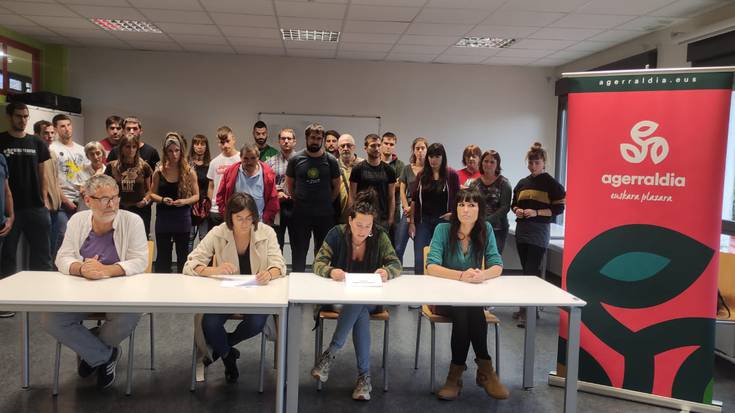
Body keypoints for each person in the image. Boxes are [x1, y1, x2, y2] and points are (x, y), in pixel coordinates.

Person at [40, 174, 148, 389]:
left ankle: (91, 352)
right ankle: (105, 355)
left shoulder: (132, 221)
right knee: (51, 319)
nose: (111, 204)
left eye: (115, 198)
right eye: (104, 199)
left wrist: (105, 270)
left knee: (129, 315)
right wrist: (82, 268)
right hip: (80, 292)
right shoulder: (77, 221)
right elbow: (62, 257)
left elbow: (140, 261)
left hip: (121, 294)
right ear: (88, 200)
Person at [183, 193, 286, 383]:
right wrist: (214, 270)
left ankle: (223, 349)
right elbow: (190, 264)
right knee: (210, 323)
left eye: (249, 218)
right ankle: (228, 356)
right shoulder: (218, 232)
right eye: (239, 218)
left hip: (257, 295)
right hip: (226, 295)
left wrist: (269, 274)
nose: (245, 223)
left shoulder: (267, 232)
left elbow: (279, 264)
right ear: (230, 217)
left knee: (256, 323)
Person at [311, 189, 402, 401]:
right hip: (339, 299)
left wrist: (386, 272)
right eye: (359, 225)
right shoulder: (336, 233)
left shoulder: (379, 236)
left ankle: (330, 354)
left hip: (370, 299)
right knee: (359, 309)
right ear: (350, 220)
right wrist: (330, 271)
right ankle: (364, 378)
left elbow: (395, 263)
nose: (363, 231)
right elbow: (318, 263)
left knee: (359, 303)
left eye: (368, 226)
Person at [425, 188, 509, 401]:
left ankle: (456, 375)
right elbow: (431, 266)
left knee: (468, 309)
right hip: (442, 298)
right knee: (467, 310)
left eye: (471, 205)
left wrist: (482, 275)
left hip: (472, 298)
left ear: (480, 209)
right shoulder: (443, 229)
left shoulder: (485, 229)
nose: (465, 209)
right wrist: (461, 275)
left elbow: (497, 265)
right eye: (461, 204)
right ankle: (485, 370)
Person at [511, 142, 566, 325]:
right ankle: (527, 308)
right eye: (531, 162)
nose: (533, 166)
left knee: (531, 271)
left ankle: (528, 312)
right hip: (522, 230)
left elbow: (559, 208)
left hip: (539, 231)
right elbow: (513, 204)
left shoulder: (552, 184)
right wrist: (518, 210)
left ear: (544, 163)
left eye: (537, 162)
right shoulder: (522, 183)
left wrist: (536, 212)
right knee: (526, 270)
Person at [0, 102, 52, 282]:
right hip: (9, 211)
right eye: (18, 116)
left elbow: (43, 174)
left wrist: (44, 201)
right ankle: (7, 296)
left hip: (36, 207)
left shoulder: (37, 142)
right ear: (9, 117)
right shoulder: (1, 140)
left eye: (25, 116)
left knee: (42, 256)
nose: (22, 120)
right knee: (8, 256)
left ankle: (42, 291)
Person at [285, 123, 341, 272]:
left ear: (322, 139)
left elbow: (337, 186)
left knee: (324, 253)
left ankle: (321, 279)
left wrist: (327, 201)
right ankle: (297, 280)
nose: (315, 141)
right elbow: (289, 184)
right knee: (299, 251)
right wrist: (298, 199)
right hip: (301, 214)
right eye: (312, 138)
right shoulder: (295, 159)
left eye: (318, 138)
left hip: (324, 215)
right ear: (307, 138)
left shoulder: (331, 160)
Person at [149, 133, 199, 273]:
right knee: (163, 256)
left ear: (181, 151)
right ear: (165, 152)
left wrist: (184, 201)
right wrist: (162, 199)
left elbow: (196, 196)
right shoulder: (159, 171)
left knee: (183, 255)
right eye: (170, 151)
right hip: (164, 218)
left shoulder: (189, 171)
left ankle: (184, 283)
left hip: (182, 218)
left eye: (177, 150)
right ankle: (162, 283)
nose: (174, 154)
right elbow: (152, 194)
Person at [408, 143, 459, 275]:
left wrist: (453, 214)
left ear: (443, 157)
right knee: (420, 258)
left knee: (444, 257)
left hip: (443, 221)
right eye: (431, 156)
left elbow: (459, 199)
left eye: (437, 156)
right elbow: (414, 200)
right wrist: (412, 222)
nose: (433, 160)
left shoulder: (451, 175)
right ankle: (420, 282)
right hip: (423, 221)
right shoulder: (421, 175)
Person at [50, 114, 90, 247]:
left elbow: (86, 175)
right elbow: (52, 179)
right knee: (61, 235)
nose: (67, 129)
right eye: (62, 126)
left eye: (68, 125)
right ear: (55, 129)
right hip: (62, 201)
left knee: (80, 237)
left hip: (81, 200)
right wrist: (65, 200)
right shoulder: (52, 149)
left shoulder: (82, 150)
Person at [216, 144, 278, 225]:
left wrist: (265, 218)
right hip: (235, 222)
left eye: (253, 158)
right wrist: (226, 215)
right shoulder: (230, 172)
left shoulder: (268, 173)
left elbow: (273, 199)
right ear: (240, 157)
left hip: (259, 222)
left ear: (258, 157)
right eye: (245, 158)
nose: (249, 162)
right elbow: (220, 196)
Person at [105, 134, 154, 236]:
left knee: (139, 239)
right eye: (127, 146)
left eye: (134, 147)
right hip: (119, 209)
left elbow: (150, 190)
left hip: (139, 210)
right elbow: (105, 188)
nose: (131, 150)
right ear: (121, 148)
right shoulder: (112, 166)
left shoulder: (144, 166)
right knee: (118, 238)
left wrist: (145, 200)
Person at [349, 134, 396, 231]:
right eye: (373, 146)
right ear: (365, 148)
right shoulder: (357, 169)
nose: (377, 148)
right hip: (361, 215)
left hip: (382, 218)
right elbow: (352, 195)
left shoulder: (389, 170)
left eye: (379, 145)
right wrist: (352, 215)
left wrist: (391, 218)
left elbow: (391, 196)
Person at [470, 150, 512, 254]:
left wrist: (486, 221)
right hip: (477, 228)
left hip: (497, 229)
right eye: (486, 161)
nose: (488, 164)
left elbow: (505, 207)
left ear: (497, 165)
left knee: (493, 259)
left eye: (492, 162)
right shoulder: (474, 184)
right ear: (481, 162)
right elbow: (470, 205)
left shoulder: (504, 183)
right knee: (477, 259)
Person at [34, 120, 64, 263]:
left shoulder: (53, 154)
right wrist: (44, 200)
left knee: (55, 243)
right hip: (43, 206)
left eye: (52, 133)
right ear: (37, 134)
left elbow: (56, 179)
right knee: (43, 248)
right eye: (46, 133)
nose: (50, 136)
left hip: (56, 206)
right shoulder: (34, 153)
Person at [395, 137, 427, 263]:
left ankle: (420, 274)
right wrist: (406, 207)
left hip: (423, 214)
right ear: (413, 151)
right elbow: (402, 190)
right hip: (408, 211)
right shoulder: (407, 169)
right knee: (398, 248)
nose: (420, 151)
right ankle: (396, 271)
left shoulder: (430, 170)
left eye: (422, 148)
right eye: (417, 148)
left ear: (427, 150)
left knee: (420, 252)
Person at [266, 128, 296, 251]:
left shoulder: (301, 160)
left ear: (294, 141)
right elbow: (266, 184)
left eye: (289, 138)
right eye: (283, 138)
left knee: (297, 244)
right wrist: (277, 192)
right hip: (278, 207)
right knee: (277, 244)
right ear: (279, 141)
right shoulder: (270, 162)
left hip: (296, 206)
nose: (286, 141)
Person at [207, 126, 240, 227]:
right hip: (216, 210)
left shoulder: (242, 160)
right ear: (218, 143)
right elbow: (211, 186)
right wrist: (210, 206)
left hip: (236, 208)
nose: (225, 145)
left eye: (227, 141)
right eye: (222, 142)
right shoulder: (214, 162)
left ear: (233, 139)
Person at [380, 132, 405, 243]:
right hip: (377, 207)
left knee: (395, 243)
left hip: (394, 209)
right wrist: (392, 183)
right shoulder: (375, 162)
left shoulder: (400, 165)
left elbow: (400, 184)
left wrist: (380, 183)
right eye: (386, 143)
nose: (388, 146)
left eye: (391, 144)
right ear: (381, 144)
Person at [189, 134, 211, 248]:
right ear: (193, 146)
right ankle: (188, 260)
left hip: (204, 205)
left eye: (202, 144)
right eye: (197, 144)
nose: (199, 147)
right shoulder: (187, 164)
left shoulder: (210, 164)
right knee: (189, 237)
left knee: (204, 238)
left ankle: (203, 260)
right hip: (190, 204)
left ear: (206, 146)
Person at [335, 133, 363, 224]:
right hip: (338, 215)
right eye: (342, 146)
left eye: (349, 145)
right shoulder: (333, 165)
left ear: (354, 147)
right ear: (338, 148)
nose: (345, 148)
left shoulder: (363, 165)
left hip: (360, 214)